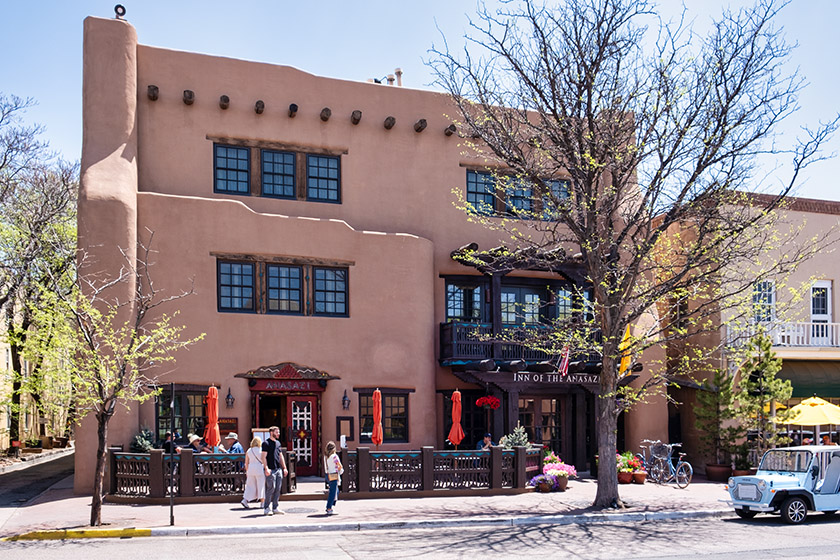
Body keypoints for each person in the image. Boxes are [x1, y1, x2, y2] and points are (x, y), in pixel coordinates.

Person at [262, 426, 288, 516]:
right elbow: (263, 457)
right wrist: (266, 468)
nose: (278, 434)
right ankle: (266, 507)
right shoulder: (266, 443)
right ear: (271, 432)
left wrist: (284, 467)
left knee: (278, 489)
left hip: (278, 469)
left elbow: (280, 456)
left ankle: (275, 507)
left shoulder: (278, 443)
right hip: (270, 469)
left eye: (279, 432)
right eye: (277, 432)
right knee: (270, 488)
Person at [241, 436, 267, 509]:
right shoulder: (261, 450)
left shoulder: (249, 450)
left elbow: (246, 463)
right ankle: (262, 502)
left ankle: (245, 500)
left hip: (251, 468)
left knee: (250, 485)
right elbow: (264, 460)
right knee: (261, 485)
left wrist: (247, 471)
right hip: (259, 468)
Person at [324, 440, 343, 516]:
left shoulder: (326, 457)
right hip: (334, 475)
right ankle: (329, 507)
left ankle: (331, 506)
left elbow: (326, 468)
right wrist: (341, 470)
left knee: (334, 491)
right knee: (333, 492)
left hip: (329, 475)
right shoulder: (334, 456)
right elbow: (339, 465)